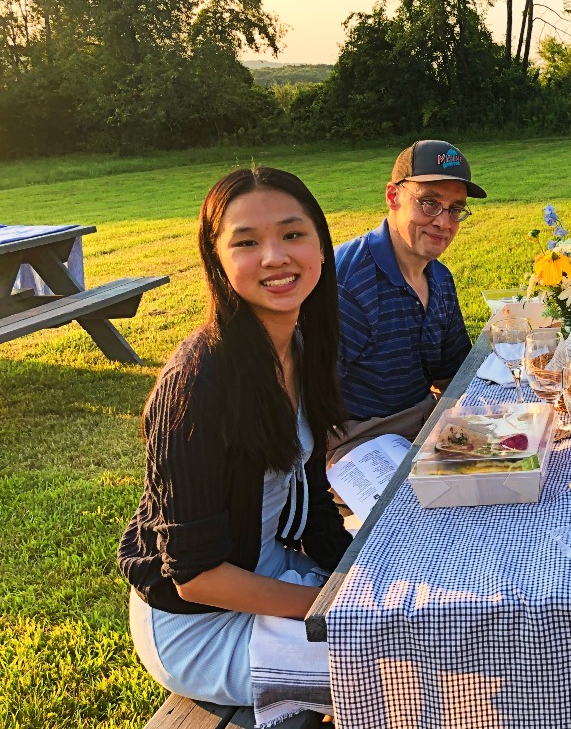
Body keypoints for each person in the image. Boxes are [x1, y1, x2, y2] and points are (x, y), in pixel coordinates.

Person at [119, 167, 351, 707]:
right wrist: (328, 601)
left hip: (274, 572)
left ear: (320, 245)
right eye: (246, 242)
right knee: (418, 671)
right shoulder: (197, 384)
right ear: (218, 261)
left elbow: (313, 503)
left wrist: (355, 575)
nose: (275, 257)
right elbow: (195, 577)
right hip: (202, 626)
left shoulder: (302, 345)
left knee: (434, 615)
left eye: (293, 234)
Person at [331, 139, 486, 463]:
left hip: (425, 425)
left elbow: (453, 377)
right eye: (429, 203)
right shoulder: (349, 283)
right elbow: (302, 405)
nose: (444, 223)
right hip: (359, 443)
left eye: (455, 209)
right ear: (393, 196)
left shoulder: (440, 278)